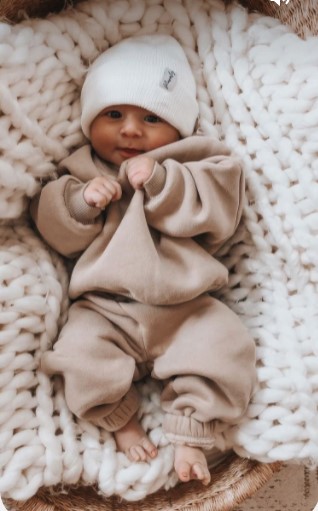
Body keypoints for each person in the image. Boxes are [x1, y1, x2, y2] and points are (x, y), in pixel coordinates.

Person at [30, 34, 256, 486]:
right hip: (106, 308)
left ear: (178, 127)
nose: (131, 130)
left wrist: (165, 182)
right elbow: (52, 228)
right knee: (76, 353)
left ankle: (192, 430)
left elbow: (219, 213)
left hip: (187, 306)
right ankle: (120, 418)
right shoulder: (80, 172)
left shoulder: (198, 161)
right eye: (114, 114)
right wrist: (81, 205)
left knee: (227, 345)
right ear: (90, 118)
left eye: (151, 118)